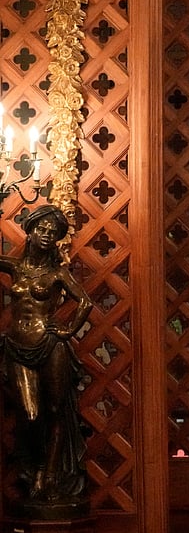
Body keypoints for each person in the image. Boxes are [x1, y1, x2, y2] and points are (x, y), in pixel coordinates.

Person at [0, 204, 94, 510]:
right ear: (29, 230)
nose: (45, 235)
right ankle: (36, 468)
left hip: (50, 345)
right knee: (29, 414)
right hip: (17, 346)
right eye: (41, 229)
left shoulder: (57, 273)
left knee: (55, 410)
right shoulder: (15, 267)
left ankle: (49, 475)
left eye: (52, 233)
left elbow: (85, 302)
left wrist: (67, 331)